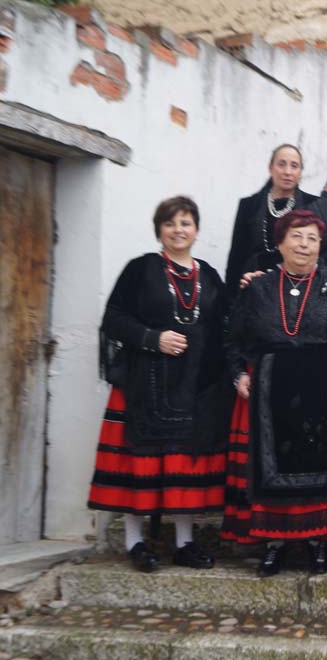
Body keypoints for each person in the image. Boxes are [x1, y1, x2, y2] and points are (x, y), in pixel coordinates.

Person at [88, 196, 228, 573]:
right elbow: (114, 319)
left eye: (185, 223)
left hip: (192, 386)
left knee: (184, 463)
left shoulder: (209, 275)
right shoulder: (141, 269)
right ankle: (135, 542)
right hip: (144, 383)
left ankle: (184, 543)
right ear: (159, 230)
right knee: (141, 461)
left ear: (196, 230)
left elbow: (226, 323)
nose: (178, 230)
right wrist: (154, 338)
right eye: (170, 223)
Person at [221, 210, 327, 576]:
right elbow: (234, 337)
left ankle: (318, 543)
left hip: (322, 386)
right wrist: (238, 373)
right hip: (271, 389)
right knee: (272, 464)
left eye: (312, 238)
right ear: (280, 242)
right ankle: (274, 544)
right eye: (297, 236)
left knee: (320, 463)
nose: (304, 245)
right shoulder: (258, 287)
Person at [225, 144, 317, 299]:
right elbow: (236, 257)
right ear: (270, 168)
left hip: (297, 289)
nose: (287, 171)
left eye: (294, 166)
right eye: (281, 164)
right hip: (253, 286)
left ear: (300, 172)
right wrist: (231, 298)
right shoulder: (249, 205)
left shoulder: (313, 205)